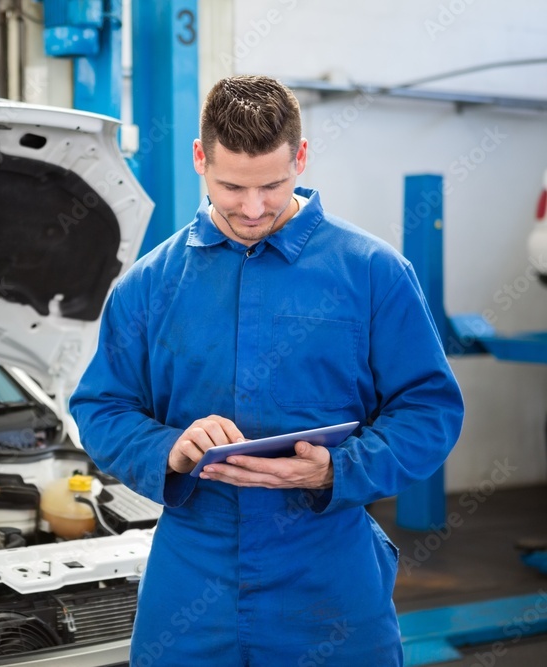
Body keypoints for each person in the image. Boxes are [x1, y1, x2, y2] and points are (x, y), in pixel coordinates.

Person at [68, 75, 464, 666]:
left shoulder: (375, 272)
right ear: (200, 159)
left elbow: (429, 410)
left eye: (272, 186)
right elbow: (101, 408)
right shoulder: (148, 286)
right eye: (232, 187)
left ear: (300, 158)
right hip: (193, 574)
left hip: (328, 569)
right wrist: (170, 448)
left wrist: (338, 469)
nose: (252, 209)